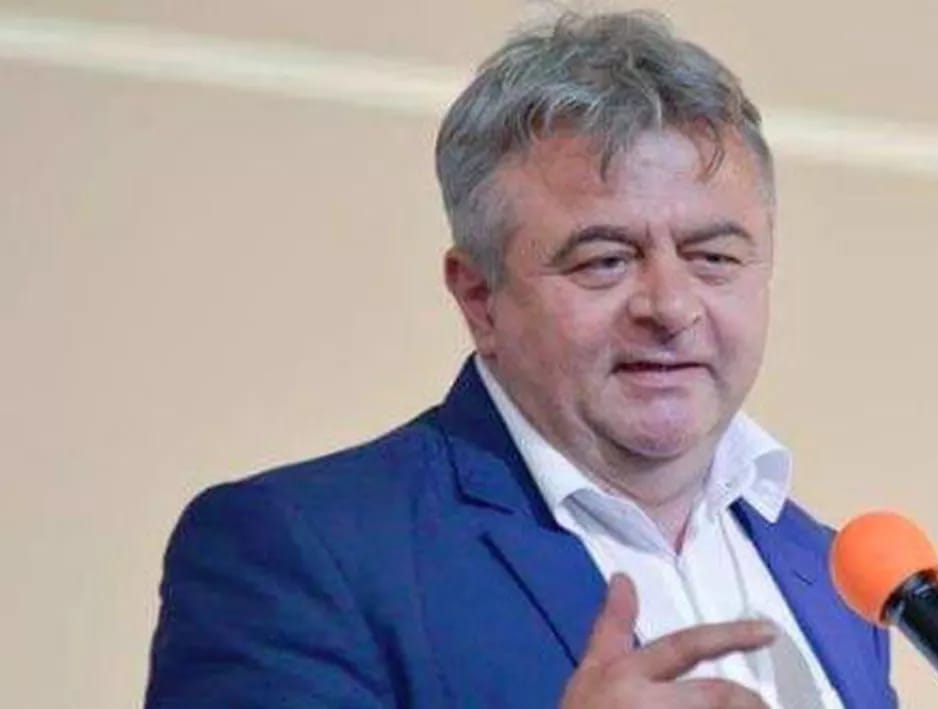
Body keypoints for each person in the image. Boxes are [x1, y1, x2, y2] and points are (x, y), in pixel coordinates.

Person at [145, 11, 895, 709]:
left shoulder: (839, 580)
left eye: (714, 256)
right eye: (605, 260)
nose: (671, 306)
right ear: (479, 297)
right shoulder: (301, 550)